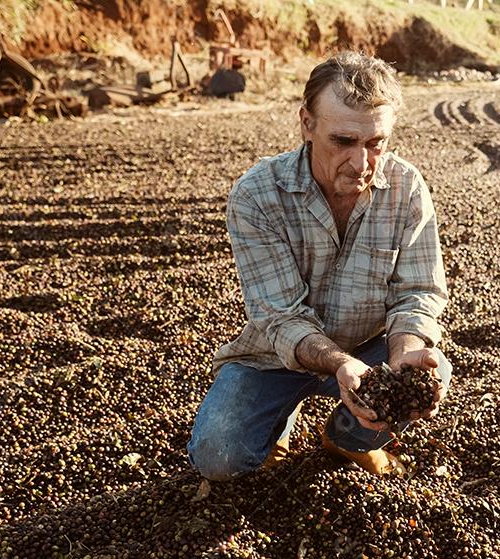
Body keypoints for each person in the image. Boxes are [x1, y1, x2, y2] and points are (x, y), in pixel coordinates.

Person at [187, 51, 450, 478]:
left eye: (375, 143)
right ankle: (279, 419)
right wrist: (340, 364)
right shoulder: (258, 195)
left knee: (429, 372)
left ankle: (349, 438)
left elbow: (417, 293)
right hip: (274, 354)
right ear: (307, 124)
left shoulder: (406, 188)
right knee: (220, 459)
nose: (361, 163)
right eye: (344, 142)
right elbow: (281, 316)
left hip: (370, 350)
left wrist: (404, 353)